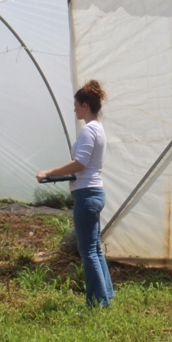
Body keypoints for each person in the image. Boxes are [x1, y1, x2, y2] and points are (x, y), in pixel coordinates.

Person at [36, 80, 114, 307]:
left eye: (76, 105)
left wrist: (48, 172)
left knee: (87, 251)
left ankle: (97, 304)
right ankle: (106, 296)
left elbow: (79, 163)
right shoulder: (98, 129)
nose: (74, 109)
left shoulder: (89, 130)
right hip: (94, 192)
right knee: (95, 248)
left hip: (87, 195)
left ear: (85, 106)